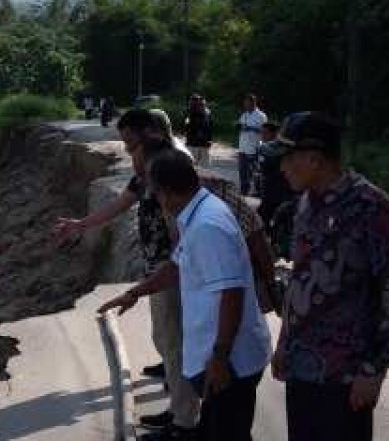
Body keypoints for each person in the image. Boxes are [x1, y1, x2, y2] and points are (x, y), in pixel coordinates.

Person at [100, 151, 272, 441]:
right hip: (221, 357)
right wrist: (135, 293)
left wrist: (220, 357)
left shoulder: (208, 226)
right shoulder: (195, 211)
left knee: (228, 433)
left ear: (165, 191)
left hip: (231, 362)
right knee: (216, 429)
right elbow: (177, 266)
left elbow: (232, 293)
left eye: (154, 191)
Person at [271, 112, 389, 441]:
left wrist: (374, 369)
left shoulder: (373, 209)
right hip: (301, 370)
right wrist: (284, 342)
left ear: (314, 158)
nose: (282, 168)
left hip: (345, 379)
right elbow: (300, 279)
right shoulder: (305, 205)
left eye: (288, 158)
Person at [53, 109, 200, 438]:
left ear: (148, 134)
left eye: (131, 144)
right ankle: (179, 410)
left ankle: (185, 423)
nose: (127, 152)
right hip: (158, 267)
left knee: (175, 343)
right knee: (166, 341)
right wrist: (81, 224)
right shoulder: (147, 170)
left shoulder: (168, 166)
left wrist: (176, 264)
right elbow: (120, 204)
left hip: (171, 269)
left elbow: (180, 223)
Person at [256, 122, 295, 246]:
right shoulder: (269, 149)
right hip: (270, 193)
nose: (262, 135)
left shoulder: (273, 151)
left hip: (280, 194)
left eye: (265, 133)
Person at [236, 94, 268, 196]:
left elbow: (265, 131)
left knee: (255, 172)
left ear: (253, 102)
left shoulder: (261, 116)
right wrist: (239, 126)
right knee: (243, 172)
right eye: (244, 103)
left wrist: (251, 128)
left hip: (254, 148)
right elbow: (241, 126)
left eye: (247, 102)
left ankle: (258, 192)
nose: (245, 104)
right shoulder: (244, 115)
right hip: (243, 148)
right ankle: (243, 193)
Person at [183, 94, 214, 168]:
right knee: (195, 167)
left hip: (199, 143)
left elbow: (209, 128)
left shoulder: (206, 114)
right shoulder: (190, 114)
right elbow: (186, 128)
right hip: (194, 143)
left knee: (202, 168)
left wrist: (209, 139)